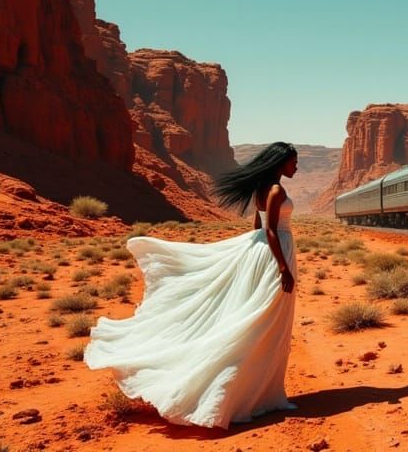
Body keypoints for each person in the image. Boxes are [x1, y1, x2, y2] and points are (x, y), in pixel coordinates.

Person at [85, 142, 300, 429]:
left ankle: (263, 395)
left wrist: (249, 255)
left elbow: (256, 229)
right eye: (292, 163)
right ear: (280, 162)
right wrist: (283, 268)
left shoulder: (263, 189)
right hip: (275, 255)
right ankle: (256, 396)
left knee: (263, 322)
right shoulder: (275, 190)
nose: (295, 168)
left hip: (264, 253)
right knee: (267, 324)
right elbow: (270, 230)